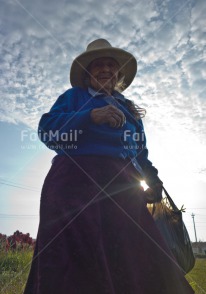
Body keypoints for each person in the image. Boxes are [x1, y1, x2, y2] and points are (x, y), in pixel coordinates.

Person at [24, 39, 194, 294]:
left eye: (111, 66)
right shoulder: (74, 98)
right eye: (98, 65)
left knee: (138, 258)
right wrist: (89, 116)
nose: (105, 69)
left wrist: (153, 180)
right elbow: (46, 130)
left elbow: (140, 152)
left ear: (118, 74)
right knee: (73, 261)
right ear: (88, 73)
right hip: (72, 185)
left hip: (122, 188)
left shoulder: (130, 110)